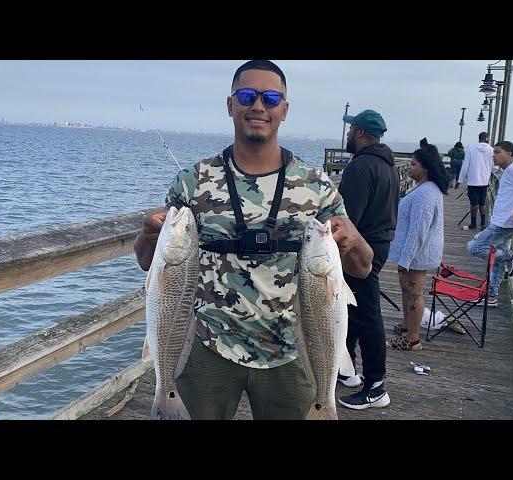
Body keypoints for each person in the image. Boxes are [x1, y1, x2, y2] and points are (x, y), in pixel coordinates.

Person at [133, 60, 374, 420]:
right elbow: (150, 262)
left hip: (292, 351)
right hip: (207, 345)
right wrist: (148, 234)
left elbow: (363, 266)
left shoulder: (317, 186)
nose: (258, 106)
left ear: (285, 109)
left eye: (271, 97)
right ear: (230, 105)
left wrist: (353, 240)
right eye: (247, 96)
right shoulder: (192, 181)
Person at [335, 109, 400, 410]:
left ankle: (376, 386)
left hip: (362, 250)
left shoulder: (361, 167)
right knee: (353, 308)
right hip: (381, 243)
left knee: (368, 314)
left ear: (360, 132)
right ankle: (346, 370)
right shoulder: (389, 165)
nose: (348, 135)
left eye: (351, 130)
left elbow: (346, 219)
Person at [386, 142, 451, 351]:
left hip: (417, 254)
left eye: (413, 164)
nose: (410, 167)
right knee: (407, 291)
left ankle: (413, 339)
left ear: (425, 167)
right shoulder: (426, 188)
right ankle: (408, 325)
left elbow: (418, 231)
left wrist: (405, 259)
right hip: (416, 252)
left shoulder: (425, 194)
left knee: (414, 293)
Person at [466, 141, 513, 308]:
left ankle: (511, 256)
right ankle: (491, 296)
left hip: (503, 224)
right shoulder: (508, 172)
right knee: (497, 261)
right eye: (494, 153)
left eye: (498, 152)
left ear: (510, 154)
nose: (494, 155)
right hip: (502, 220)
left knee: (474, 247)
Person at [457, 132, 495, 230]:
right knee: (482, 204)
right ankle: (483, 224)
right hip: (484, 182)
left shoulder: (471, 148)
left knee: (473, 204)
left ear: (479, 138)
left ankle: (473, 224)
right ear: (487, 139)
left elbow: (465, 165)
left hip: (473, 181)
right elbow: (493, 167)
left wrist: (460, 180)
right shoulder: (491, 150)